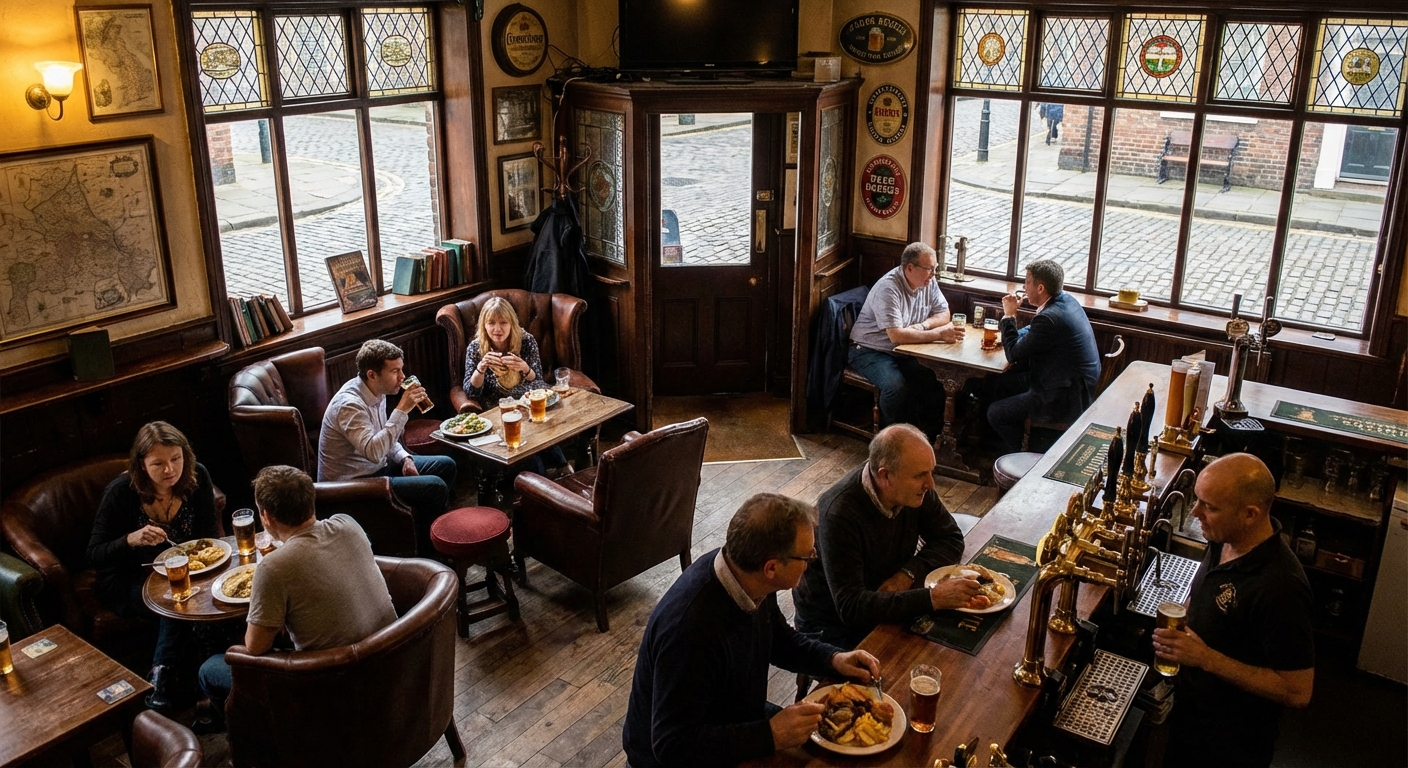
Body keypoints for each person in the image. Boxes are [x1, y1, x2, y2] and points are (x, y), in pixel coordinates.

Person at [623, 493, 882, 768]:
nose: (812, 562)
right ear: (771, 567)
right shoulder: (690, 630)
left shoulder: (747, 573)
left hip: (735, 721)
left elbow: (779, 640)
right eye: (806, 556)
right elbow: (671, 744)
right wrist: (770, 734)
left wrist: (833, 659)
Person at [195, 465, 397, 733]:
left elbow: (255, 647)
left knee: (210, 669)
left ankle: (260, 745)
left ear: (266, 517)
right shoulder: (348, 523)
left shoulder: (273, 567)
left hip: (328, 687)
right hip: (392, 662)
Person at [1153, 453, 1314, 768]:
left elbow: (1298, 691)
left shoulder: (1281, 588)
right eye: (1198, 500)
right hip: (1193, 717)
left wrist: (1206, 658)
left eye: (1209, 507)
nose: (1196, 513)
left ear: (1250, 514)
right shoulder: (1224, 536)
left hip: (1232, 742)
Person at [793, 424, 973, 649]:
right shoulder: (839, 513)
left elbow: (951, 538)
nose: (930, 484)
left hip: (890, 599)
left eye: (931, 472)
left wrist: (906, 574)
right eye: (920, 476)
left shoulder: (912, 488)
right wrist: (933, 598)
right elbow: (851, 607)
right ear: (885, 475)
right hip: (833, 626)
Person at [88, 421, 222, 710]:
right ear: (141, 465)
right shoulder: (121, 492)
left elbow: (209, 535)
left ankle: (210, 683)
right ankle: (162, 682)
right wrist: (131, 539)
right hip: (130, 577)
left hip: (187, 570)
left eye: (176, 459)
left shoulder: (198, 477)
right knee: (176, 601)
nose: (170, 470)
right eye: (158, 463)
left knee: (193, 595)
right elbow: (94, 554)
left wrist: (200, 559)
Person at [318, 339, 456, 555]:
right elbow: (374, 452)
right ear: (372, 374)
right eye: (395, 371)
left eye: (401, 369)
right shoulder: (349, 405)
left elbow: (383, 436)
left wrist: (404, 458)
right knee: (435, 487)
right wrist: (402, 410)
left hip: (379, 468)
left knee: (446, 465)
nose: (402, 377)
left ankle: (422, 533)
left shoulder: (377, 391)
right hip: (353, 486)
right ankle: (428, 554)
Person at [848, 242, 963, 432]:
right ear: (910, 268)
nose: (933, 274)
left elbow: (944, 313)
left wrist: (922, 326)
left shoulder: (928, 281)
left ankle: (929, 434)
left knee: (935, 379)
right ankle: (890, 436)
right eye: (929, 269)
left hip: (903, 350)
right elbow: (896, 336)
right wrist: (939, 334)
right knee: (896, 387)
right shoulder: (889, 288)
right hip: (869, 350)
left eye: (935, 269)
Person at [986, 259, 1100, 452]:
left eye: (1027, 282)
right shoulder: (1065, 301)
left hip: (1065, 397)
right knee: (996, 384)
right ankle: (994, 447)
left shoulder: (1049, 317)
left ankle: (1025, 455)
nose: (1024, 287)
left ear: (1040, 288)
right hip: (1073, 384)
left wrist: (1009, 316)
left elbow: (1013, 354)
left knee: (995, 413)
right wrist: (1008, 337)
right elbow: (1033, 331)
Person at [461, 296, 568, 477]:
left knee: (541, 429)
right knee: (533, 459)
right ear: (484, 325)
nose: (497, 329)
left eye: (503, 322)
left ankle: (564, 471)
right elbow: (471, 391)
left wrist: (525, 368)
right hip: (497, 409)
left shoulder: (526, 341)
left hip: (526, 404)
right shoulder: (476, 348)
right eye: (491, 323)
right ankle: (538, 482)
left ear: (512, 323)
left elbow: (539, 382)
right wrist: (481, 367)